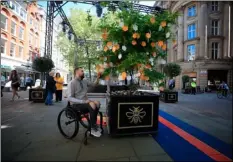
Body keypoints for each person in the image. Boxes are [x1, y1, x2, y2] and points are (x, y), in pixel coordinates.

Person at [67, 67, 101, 137]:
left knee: (97, 103)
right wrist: (83, 101)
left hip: (85, 102)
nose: (83, 72)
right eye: (82, 71)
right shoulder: (72, 83)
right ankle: (92, 128)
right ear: (77, 72)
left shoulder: (84, 81)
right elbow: (69, 98)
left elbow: (94, 85)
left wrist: (98, 77)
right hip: (76, 105)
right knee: (92, 104)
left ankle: (93, 124)